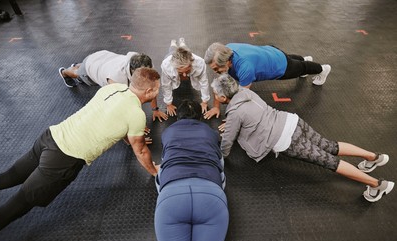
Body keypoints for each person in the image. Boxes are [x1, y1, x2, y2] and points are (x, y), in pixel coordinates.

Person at [0, 67, 161, 238]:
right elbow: (141, 151)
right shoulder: (136, 114)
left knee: (9, 176)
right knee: (14, 207)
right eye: (157, 90)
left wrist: (132, 137)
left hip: (50, 137)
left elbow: (114, 118)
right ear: (149, 91)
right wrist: (154, 171)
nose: (158, 93)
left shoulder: (115, 88)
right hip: (62, 159)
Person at [211, 73, 394, 202]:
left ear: (221, 96)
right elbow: (249, 114)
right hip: (292, 121)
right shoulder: (245, 92)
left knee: (330, 162)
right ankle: (373, 157)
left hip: (287, 140)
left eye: (215, 95)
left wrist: (220, 155)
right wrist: (233, 121)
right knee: (330, 146)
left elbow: (227, 142)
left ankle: (377, 185)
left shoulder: (234, 113)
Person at [154, 99, 228, 241]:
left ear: (178, 118)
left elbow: (165, 159)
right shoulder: (211, 133)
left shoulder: (168, 133)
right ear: (200, 118)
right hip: (211, 196)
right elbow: (220, 163)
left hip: (171, 197)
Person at [58, 50, 168, 122]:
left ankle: (78, 66)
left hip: (104, 58)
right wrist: (135, 127)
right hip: (92, 68)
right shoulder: (116, 79)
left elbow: (151, 87)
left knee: (83, 66)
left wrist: (155, 110)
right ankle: (64, 72)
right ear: (133, 70)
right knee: (78, 74)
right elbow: (121, 106)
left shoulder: (145, 65)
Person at [204, 42, 332, 88]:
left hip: (279, 65)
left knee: (300, 68)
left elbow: (243, 97)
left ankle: (323, 69)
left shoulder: (245, 68)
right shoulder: (228, 48)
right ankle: (304, 59)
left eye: (216, 69)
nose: (215, 72)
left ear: (227, 61)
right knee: (292, 60)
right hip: (270, 52)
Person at [160, 38, 221, 119]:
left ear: (191, 63)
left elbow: (204, 82)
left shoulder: (200, 63)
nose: (184, 75)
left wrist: (205, 101)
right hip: (171, 55)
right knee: (172, 50)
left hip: (187, 54)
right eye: (181, 73)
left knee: (185, 49)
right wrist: (169, 104)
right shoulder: (166, 65)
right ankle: (173, 43)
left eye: (187, 70)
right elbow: (166, 85)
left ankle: (182, 43)